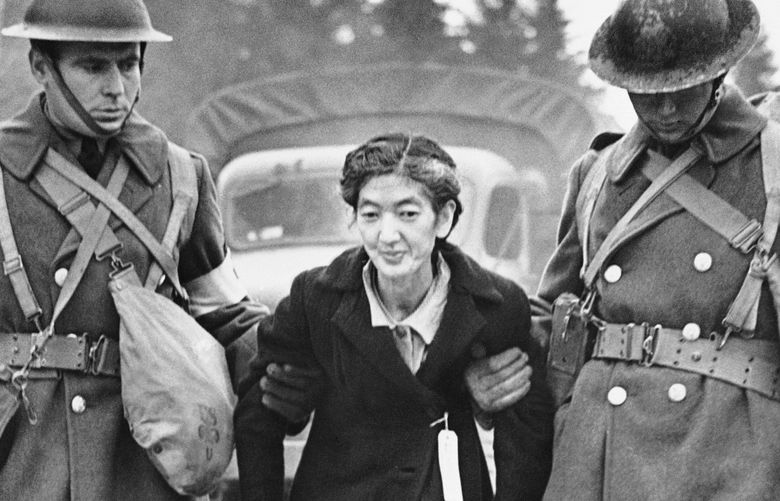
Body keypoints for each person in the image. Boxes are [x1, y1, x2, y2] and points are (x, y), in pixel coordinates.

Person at [471, 0, 780, 499]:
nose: (666, 109)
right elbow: (555, 312)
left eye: (681, 88)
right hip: (601, 446)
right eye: (647, 92)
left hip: (729, 449)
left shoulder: (773, 166)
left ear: (720, 72)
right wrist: (488, 365)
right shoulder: (597, 172)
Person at [0, 0, 267, 499]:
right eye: (93, 66)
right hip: (23, 460)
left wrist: (304, 344)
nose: (117, 88)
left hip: (141, 464)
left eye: (128, 63)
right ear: (41, 67)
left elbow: (226, 315)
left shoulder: (181, 176)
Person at [234, 133, 553, 501]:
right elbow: (257, 414)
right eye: (370, 215)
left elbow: (527, 432)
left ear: (444, 218)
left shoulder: (495, 305)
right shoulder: (316, 300)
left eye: (408, 214)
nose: (387, 235)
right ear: (354, 219)